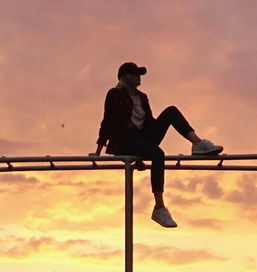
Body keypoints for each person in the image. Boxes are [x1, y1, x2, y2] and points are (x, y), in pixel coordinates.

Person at [93, 61, 223, 228]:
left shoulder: (142, 97)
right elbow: (108, 122)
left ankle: (197, 143)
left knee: (171, 111)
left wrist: (146, 145)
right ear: (124, 76)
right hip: (125, 140)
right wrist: (98, 151)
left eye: (139, 74)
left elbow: (149, 123)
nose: (138, 77)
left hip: (141, 138)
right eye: (134, 73)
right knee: (157, 153)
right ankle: (159, 207)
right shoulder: (114, 94)